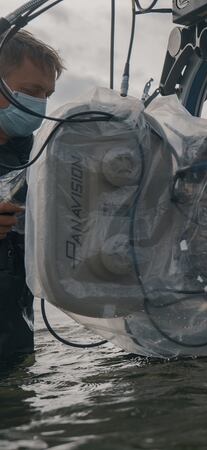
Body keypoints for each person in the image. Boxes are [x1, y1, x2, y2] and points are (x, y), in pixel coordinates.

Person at [0, 30, 63, 361]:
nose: (40, 104)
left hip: (16, 349)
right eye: (30, 91)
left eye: (47, 94)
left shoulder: (35, 156)